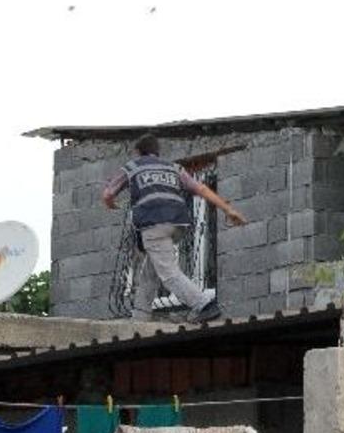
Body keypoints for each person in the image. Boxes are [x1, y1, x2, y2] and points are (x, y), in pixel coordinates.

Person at [102, 133, 246, 322]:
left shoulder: (133, 167)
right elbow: (201, 189)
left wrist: (111, 203)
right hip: (178, 223)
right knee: (150, 272)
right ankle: (140, 317)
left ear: (138, 152)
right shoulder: (174, 168)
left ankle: (203, 304)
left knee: (168, 274)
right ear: (157, 152)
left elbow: (108, 194)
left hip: (153, 224)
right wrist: (228, 209)